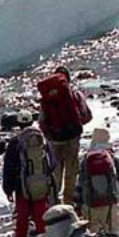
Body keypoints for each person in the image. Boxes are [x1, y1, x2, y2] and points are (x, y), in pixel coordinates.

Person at [2, 114, 56, 237]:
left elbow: (9, 167)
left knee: (22, 217)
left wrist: (8, 189)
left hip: (22, 187)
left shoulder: (15, 142)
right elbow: (52, 163)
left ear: (18, 124)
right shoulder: (43, 139)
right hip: (41, 186)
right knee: (41, 218)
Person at [38, 67, 92, 206]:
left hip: (54, 139)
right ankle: (69, 202)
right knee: (71, 170)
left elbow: (42, 121)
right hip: (72, 137)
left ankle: (53, 201)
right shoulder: (74, 94)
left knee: (55, 170)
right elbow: (86, 115)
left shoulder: (46, 97)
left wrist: (49, 136)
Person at [74, 127, 119, 234]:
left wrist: (77, 205)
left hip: (89, 204)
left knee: (92, 234)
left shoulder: (85, 160)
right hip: (111, 204)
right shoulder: (115, 160)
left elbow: (79, 185)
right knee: (112, 232)